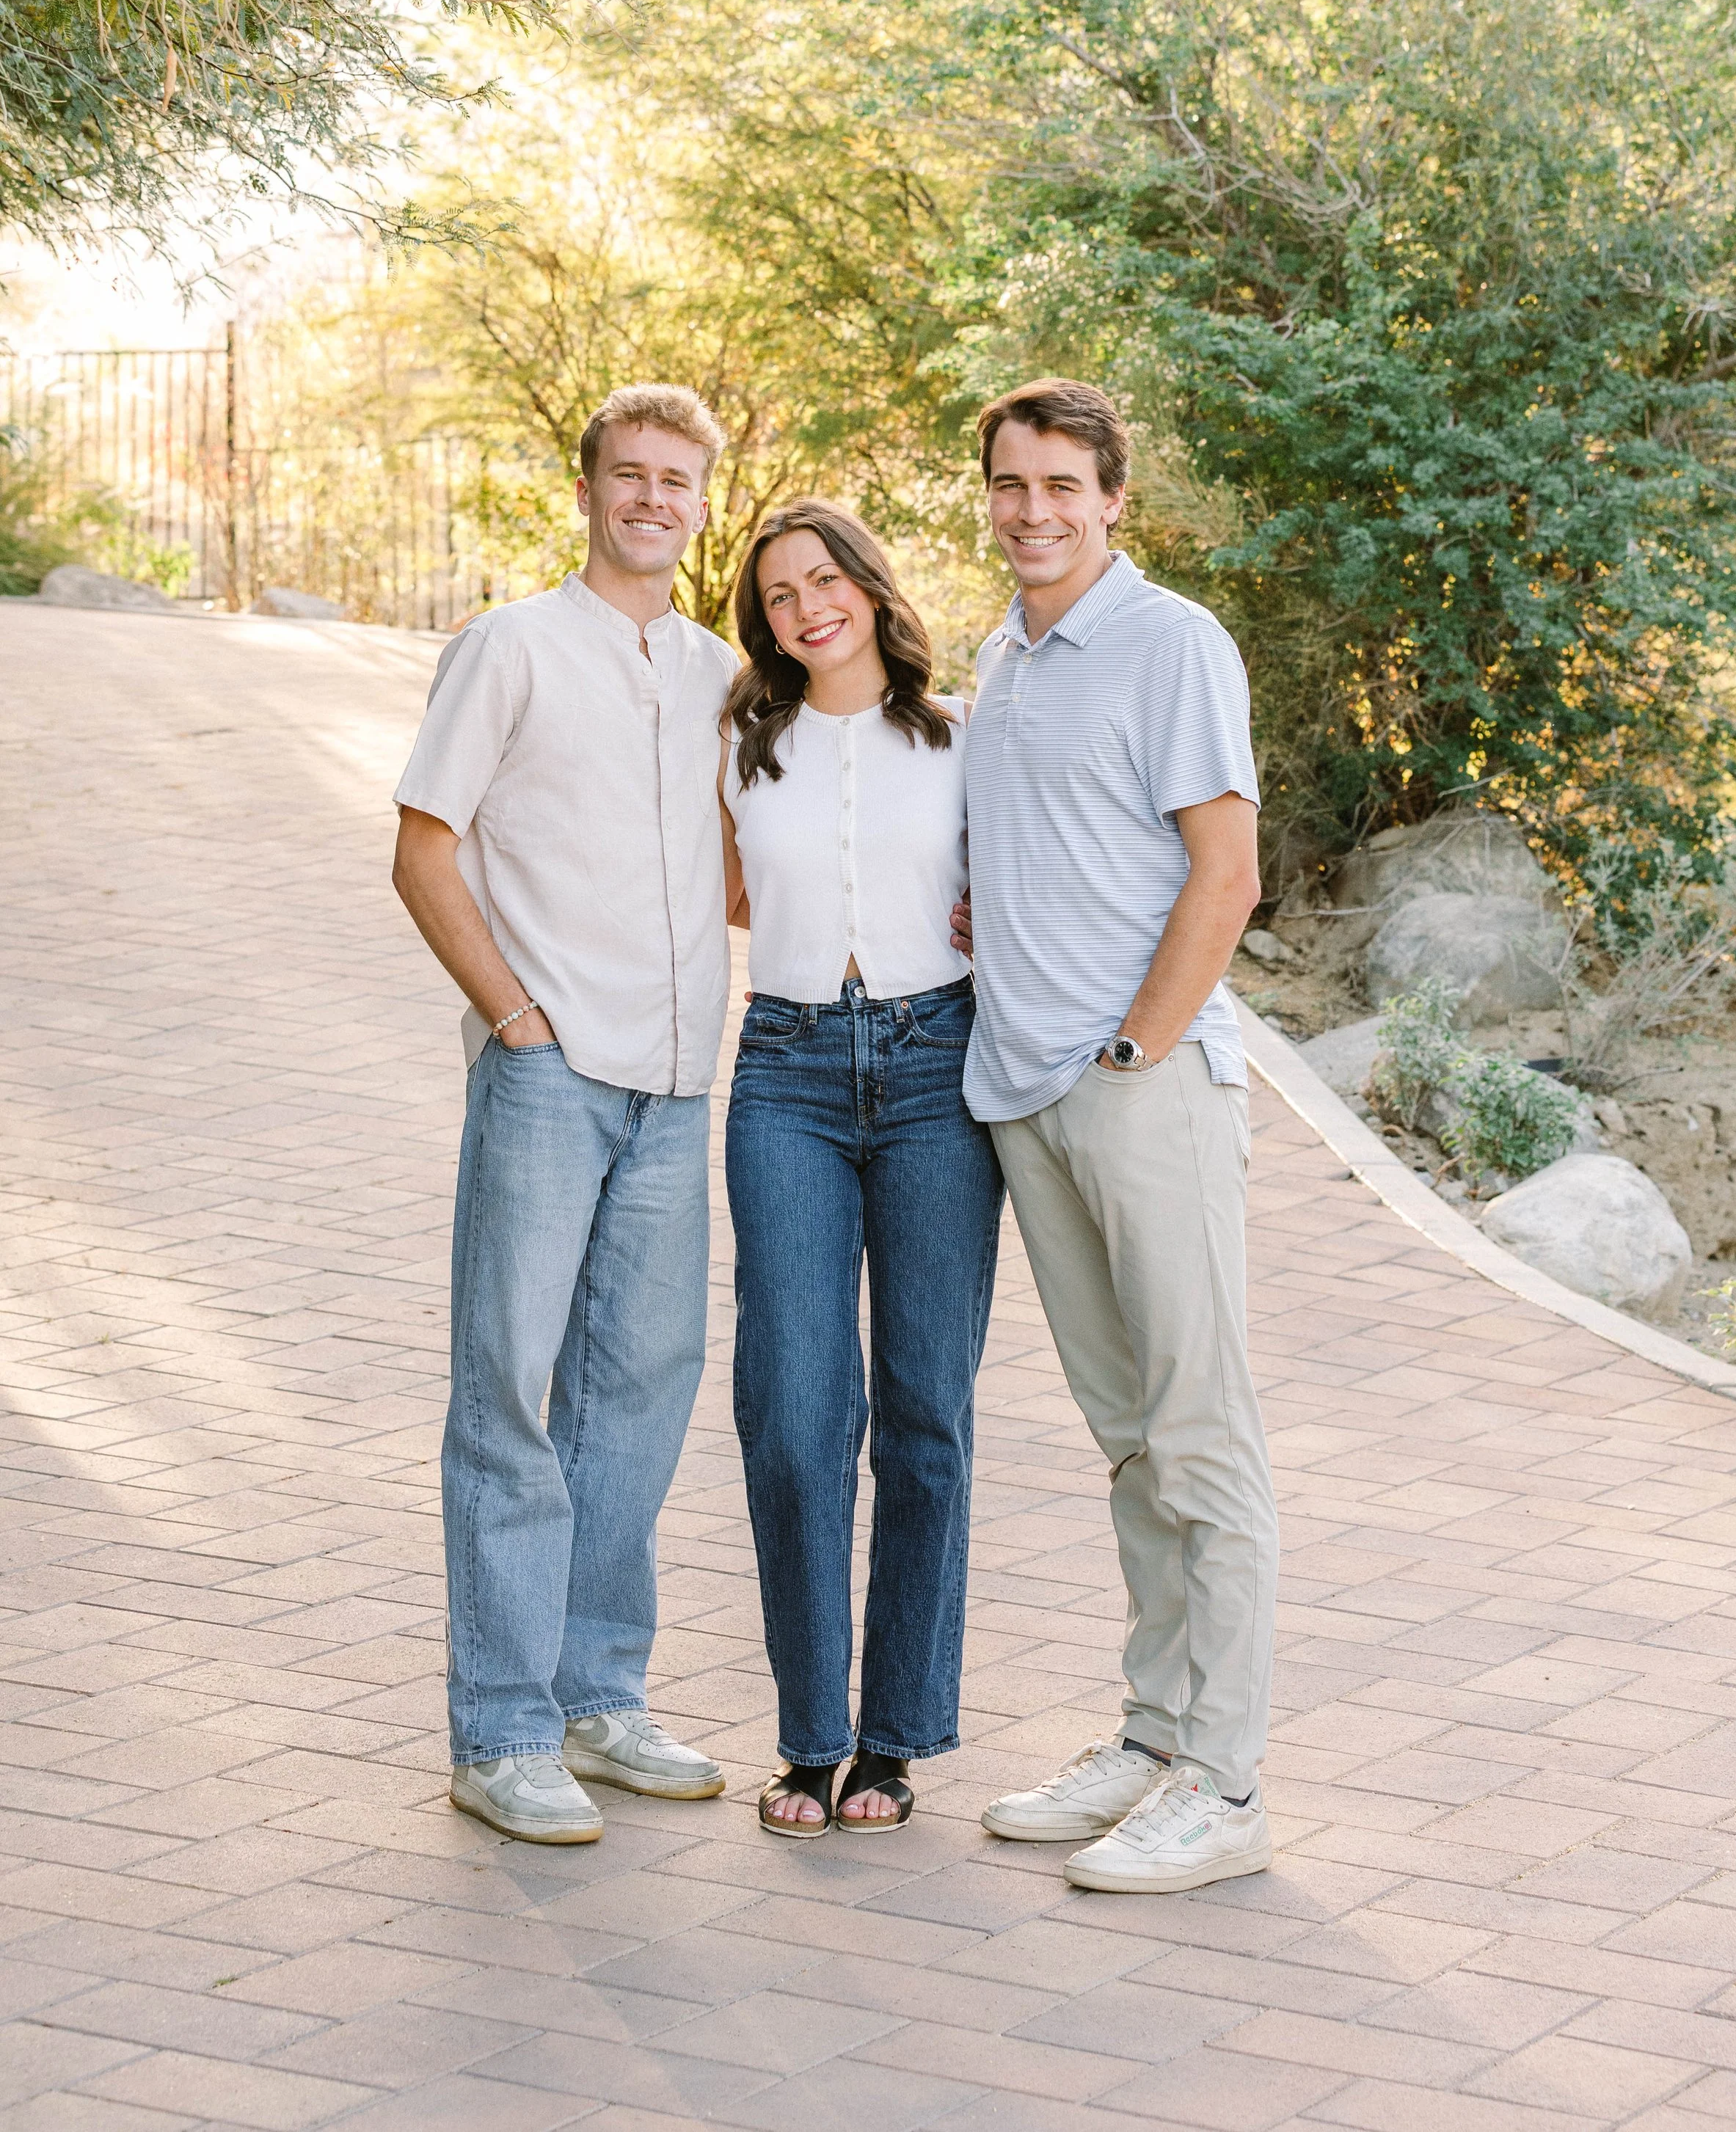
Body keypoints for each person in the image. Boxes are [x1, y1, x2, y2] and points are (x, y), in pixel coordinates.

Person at [391, 383, 737, 1844]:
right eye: (630, 475)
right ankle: (501, 1731)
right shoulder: (512, 646)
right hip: (548, 1080)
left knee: (638, 1403)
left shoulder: (722, 671)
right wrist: (515, 1019)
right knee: (508, 1398)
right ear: (588, 488)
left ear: (702, 502)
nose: (652, 498)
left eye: (677, 480)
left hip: (674, 1090)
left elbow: (736, 868)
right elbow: (422, 847)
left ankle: (599, 1699)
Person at [961, 378, 1277, 1895]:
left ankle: (1222, 1784)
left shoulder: (1170, 643)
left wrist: (1137, 1047)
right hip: (1025, 1096)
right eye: (1009, 485)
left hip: (1138, 1085)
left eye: (1060, 486)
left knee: (1199, 1434)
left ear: (1111, 501)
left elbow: (1226, 872)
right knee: (1128, 1443)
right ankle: (1151, 1742)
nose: (1032, 512)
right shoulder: (1000, 661)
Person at [719, 500, 1004, 1839]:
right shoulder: (743, 739)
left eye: (823, 579)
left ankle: (892, 1739)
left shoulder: (959, 737)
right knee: (790, 1409)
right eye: (778, 595)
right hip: (783, 1070)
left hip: (937, 1066)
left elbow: (1025, 875)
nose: (805, 608)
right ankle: (807, 1738)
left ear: (869, 587)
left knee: (927, 1410)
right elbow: (724, 890)